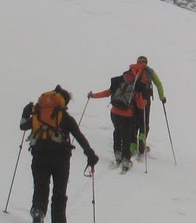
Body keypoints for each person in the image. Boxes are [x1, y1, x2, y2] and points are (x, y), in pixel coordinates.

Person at [19, 85, 99, 223]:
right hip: (61, 159)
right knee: (59, 194)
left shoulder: (38, 115)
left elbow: (23, 126)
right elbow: (79, 136)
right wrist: (90, 154)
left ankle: (38, 212)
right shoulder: (65, 117)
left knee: (40, 188)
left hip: (39, 156)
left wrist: (25, 113)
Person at [87, 63, 148, 169]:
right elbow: (140, 104)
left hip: (114, 112)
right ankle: (125, 160)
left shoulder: (119, 80)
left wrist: (93, 96)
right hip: (128, 115)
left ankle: (117, 154)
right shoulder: (135, 85)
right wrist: (145, 103)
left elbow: (107, 92)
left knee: (117, 131)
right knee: (126, 136)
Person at [133, 55, 167, 152]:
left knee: (134, 121)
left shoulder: (133, 69)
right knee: (144, 121)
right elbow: (158, 83)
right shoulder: (150, 71)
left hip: (134, 98)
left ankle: (133, 145)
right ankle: (142, 141)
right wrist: (162, 97)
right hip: (145, 99)